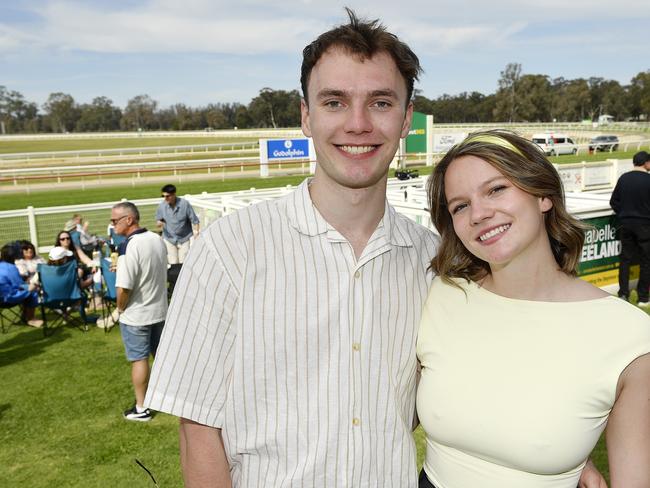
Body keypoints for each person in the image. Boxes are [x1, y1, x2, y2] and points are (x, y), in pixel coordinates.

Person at [145, 12, 604, 488]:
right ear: (306, 115)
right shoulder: (230, 247)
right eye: (335, 102)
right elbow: (198, 426)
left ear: (406, 118)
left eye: (380, 102)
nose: (358, 124)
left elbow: (483, 381)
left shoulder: (434, 261)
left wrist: (565, 453)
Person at [417, 130, 650, 487]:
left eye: (496, 189)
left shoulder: (630, 337)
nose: (478, 213)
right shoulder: (440, 294)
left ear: (543, 194)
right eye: (460, 206)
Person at [111, 202, 168, 422]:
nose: (112, 225)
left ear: (129, 219)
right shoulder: (156, 239)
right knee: (161, 358)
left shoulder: (128, 246)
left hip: (137, 314)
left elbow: (124, 287)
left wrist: (119, 308)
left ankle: (142, 407)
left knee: (139, 359)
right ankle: (170, 399)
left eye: (115, 220)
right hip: (159, 309)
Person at [610, 150, 650, 306]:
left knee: (625, 260)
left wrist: (624, 214)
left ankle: (623, 294)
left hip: (626, 224)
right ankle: (643, 298)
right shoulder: (648, 180)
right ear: (646, 163)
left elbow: (614, 202)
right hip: (645, 226)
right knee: (646, 262)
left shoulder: (624, 178)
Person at [0, 244, 43, 328]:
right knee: (32, 290)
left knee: (26, 289)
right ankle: (30, 318)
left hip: (2, 295)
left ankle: (25, 316)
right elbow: (18, 285)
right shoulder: (11, 268)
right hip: (7, 299)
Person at [155, 184, 199, 264]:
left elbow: (195, 221)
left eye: (167, 196)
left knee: (183, 263)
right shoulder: (161, 206)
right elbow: (158, 221)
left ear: (174, 194)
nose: (165, 198)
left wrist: (196, 234)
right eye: (163, 196)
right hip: (169, 239)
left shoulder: (185, 204)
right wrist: (159, 223)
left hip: (184, 238)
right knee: (173, 263)